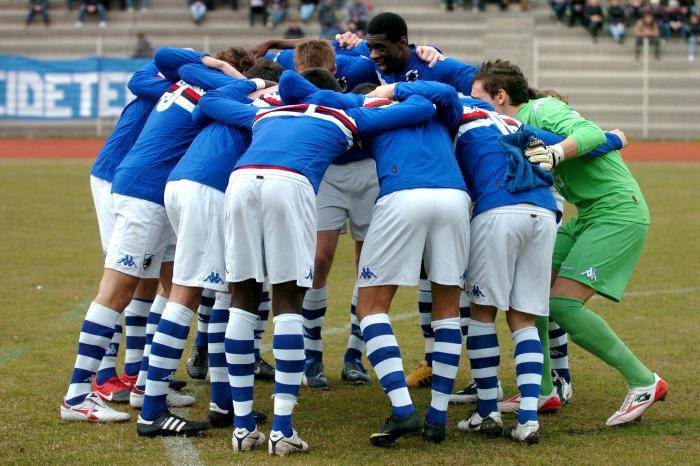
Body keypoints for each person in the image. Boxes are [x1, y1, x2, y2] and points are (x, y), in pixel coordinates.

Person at [198, 68, 435, 455]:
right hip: (291, 185)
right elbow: (421, 108)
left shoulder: (267, 113)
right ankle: (282, 428)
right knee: (287, 302)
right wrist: (368, 95)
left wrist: (256, 84)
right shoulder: (346, 114)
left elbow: (210, 102)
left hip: (240, 183)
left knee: (242, 300)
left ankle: (242, 426)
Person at [471, 59, 669, 427]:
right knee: (533, 291)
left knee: (562, 304)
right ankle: (544, 389)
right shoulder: (516, 124)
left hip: (616, 214)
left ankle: (643, 380)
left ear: (499, 96)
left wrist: (556, 153)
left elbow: (591, 133)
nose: (473, 105)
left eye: (478, 98)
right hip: (587, 217)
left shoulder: (542, 108)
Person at [279, 72, 469, 446]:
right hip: (454, 196)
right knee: (447, 308)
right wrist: (397, 87)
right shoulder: (431, 109)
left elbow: (289, 83)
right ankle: (438, 415)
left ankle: (403, 410)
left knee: (372, 307)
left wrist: (371, 93)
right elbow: (446, 92)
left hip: (403, 194)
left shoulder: (363, 108)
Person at [59, 47, 240, 425]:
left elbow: (166, 60)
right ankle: (78, 393)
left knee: (170, 282)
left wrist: (214, 67)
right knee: (118, 289)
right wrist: (227, 69)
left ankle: (145, 383)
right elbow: (168, 60)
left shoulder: (181, 85)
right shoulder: (210, 92)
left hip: (156, 193)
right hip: (144, 193)